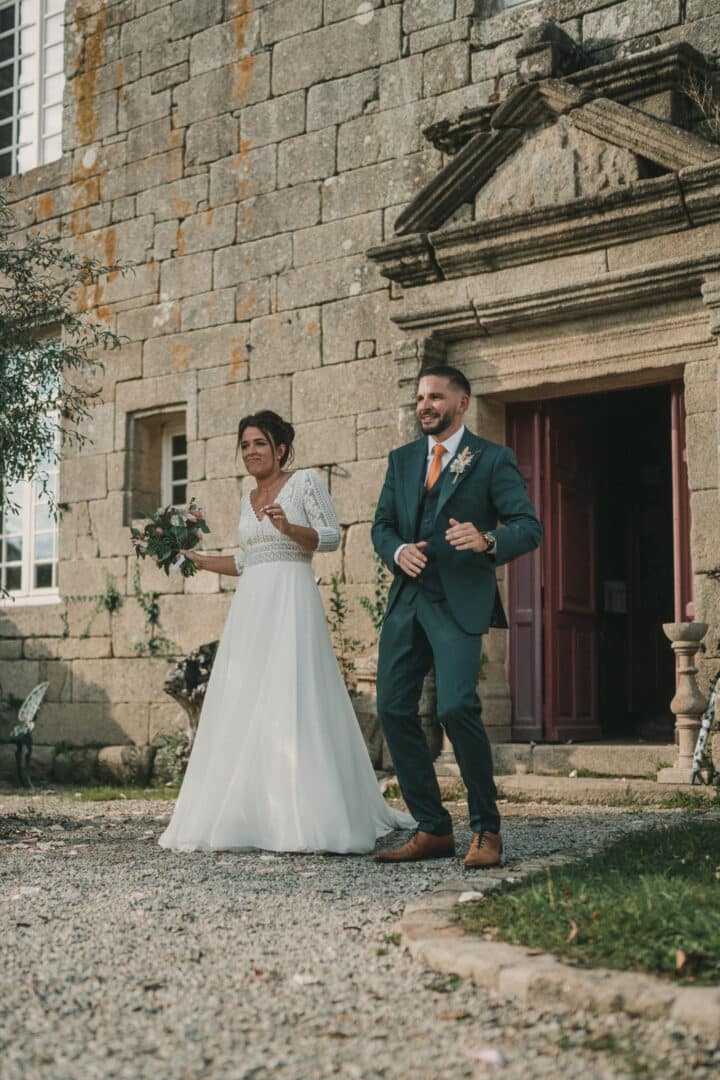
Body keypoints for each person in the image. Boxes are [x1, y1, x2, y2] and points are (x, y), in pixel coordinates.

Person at [159, 410, 413, 854]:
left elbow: (330, 537)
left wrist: (288, 527)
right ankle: (250, 811)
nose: (251, 451)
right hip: (251, 609)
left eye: (260, 443)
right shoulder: (246, 497)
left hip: (292, 600)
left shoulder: (305, 483)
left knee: (293, 696)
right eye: (245, 445)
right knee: (246, 698)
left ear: (280, 447)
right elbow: (245, 562)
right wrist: (199, 560)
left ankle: (304, 814)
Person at [372, 366, 542, 867]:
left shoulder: (492, 459)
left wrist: (488, 539)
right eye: (421, 397)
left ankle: (487, 829)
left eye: (436, 397)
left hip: (458, 600)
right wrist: (397, 549)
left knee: (456, 708)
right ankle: (432, 828)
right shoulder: (401, 461)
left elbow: (528, 527)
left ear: (462, 403)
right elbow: (381, 524)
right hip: (407, 600)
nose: (425, 405)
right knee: (394, 708)